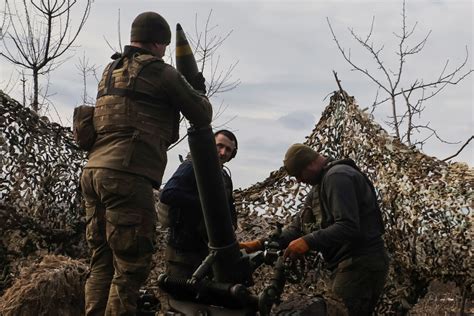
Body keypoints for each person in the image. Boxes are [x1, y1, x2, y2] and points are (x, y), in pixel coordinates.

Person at [80, 11, 213, 316]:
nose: (166, 51)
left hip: (93, 173)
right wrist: (198, 89)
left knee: (101, 261)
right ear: (157, 42)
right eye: (164, 46)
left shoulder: (110, 70)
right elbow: (202, 114)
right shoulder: (160, 72)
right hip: (127, 175)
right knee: (130, 266)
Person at [240, 144, 389, 316]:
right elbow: (297, 229)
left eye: (298, 175)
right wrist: (259, 244)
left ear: (309, 165)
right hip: (348, 264)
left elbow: (348, 226)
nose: (298, 181)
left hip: (362, 263)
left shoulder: (338, 177)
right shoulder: (319, 186)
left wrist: (308, 241)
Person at [159, 130, 238, 280]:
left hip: (206, 251)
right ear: (209, 146)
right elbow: (168, 193)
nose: (223, 152)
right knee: (179, 298)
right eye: (219, 146)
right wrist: (204, 203)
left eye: (228, 150)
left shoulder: (223, 177)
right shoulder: (192, 166)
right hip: (182, 251)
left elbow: (228, 207)